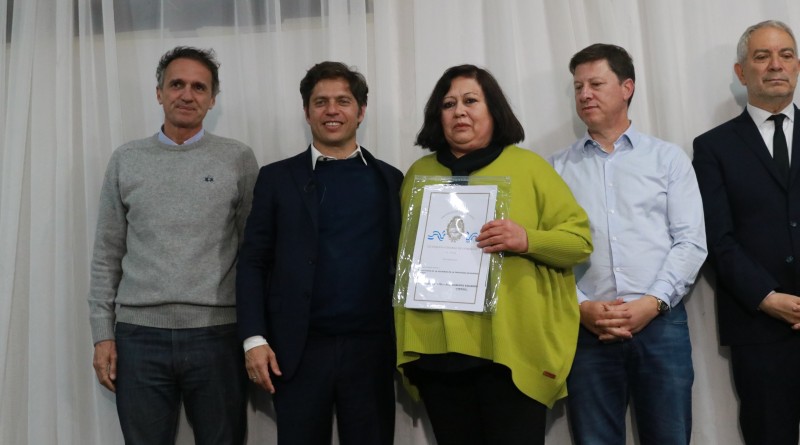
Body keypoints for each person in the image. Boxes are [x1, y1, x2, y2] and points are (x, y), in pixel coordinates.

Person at [394, 64, 593, 445]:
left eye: (471, 101)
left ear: (493, 110)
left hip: (508, 355)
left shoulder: (530, 168)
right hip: (437, 355)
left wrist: (526, 239)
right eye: (448, 104)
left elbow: (579, 242)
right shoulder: (418, 175)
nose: (459, 111)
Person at [89, 46, 258, 444]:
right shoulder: (127, 159)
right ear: (159, 93)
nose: (187, 94)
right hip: (138, 336)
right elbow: (106, 254)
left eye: (199, 87)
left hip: (218, 334)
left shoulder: (237, 159)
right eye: (177, 84)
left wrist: (255, 334)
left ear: (213, 99)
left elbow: (254, 254)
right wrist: (102, 333)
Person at [236, 61, 401, 445]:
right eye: (320, 101)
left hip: (371, 350)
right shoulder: (276, 178)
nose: (331, 110)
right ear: (307, 111)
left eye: (343, 101)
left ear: (361, 111)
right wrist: (253, 339)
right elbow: (253, 262)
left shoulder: (391, 180)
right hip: (297, 351)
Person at [550, 44, 707, 444]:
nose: (585, 94)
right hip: (588, 329)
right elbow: (549, 252)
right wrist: (580, 306)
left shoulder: (668, 159)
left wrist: (652, 303)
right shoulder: (555, 169)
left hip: (661, 324)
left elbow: (690, 242)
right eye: (578, 87)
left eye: (596, 84)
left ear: (627, 88)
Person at [693, 20, 800, 445]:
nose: (775, 65)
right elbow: (717, 238)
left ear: (797, 66)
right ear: (741, 72)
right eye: (761, 56)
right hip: (759, 327)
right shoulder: (712, 147)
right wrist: (766, 297)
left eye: (786, 55)